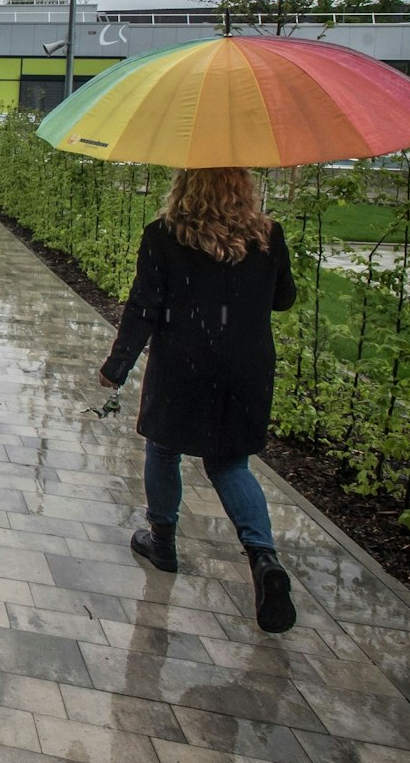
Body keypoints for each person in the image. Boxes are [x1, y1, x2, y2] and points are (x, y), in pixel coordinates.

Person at [98, 167, 298, 633]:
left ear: (184, 187)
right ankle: (264, 558)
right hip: (246, 364)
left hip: (184, 361)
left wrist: (117, 365)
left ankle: (162, 541)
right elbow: (284, 299)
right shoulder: (268, 235)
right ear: (242, 187)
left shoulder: (164, 236)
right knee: (231, 464)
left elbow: (144, 307)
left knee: (164, 448)